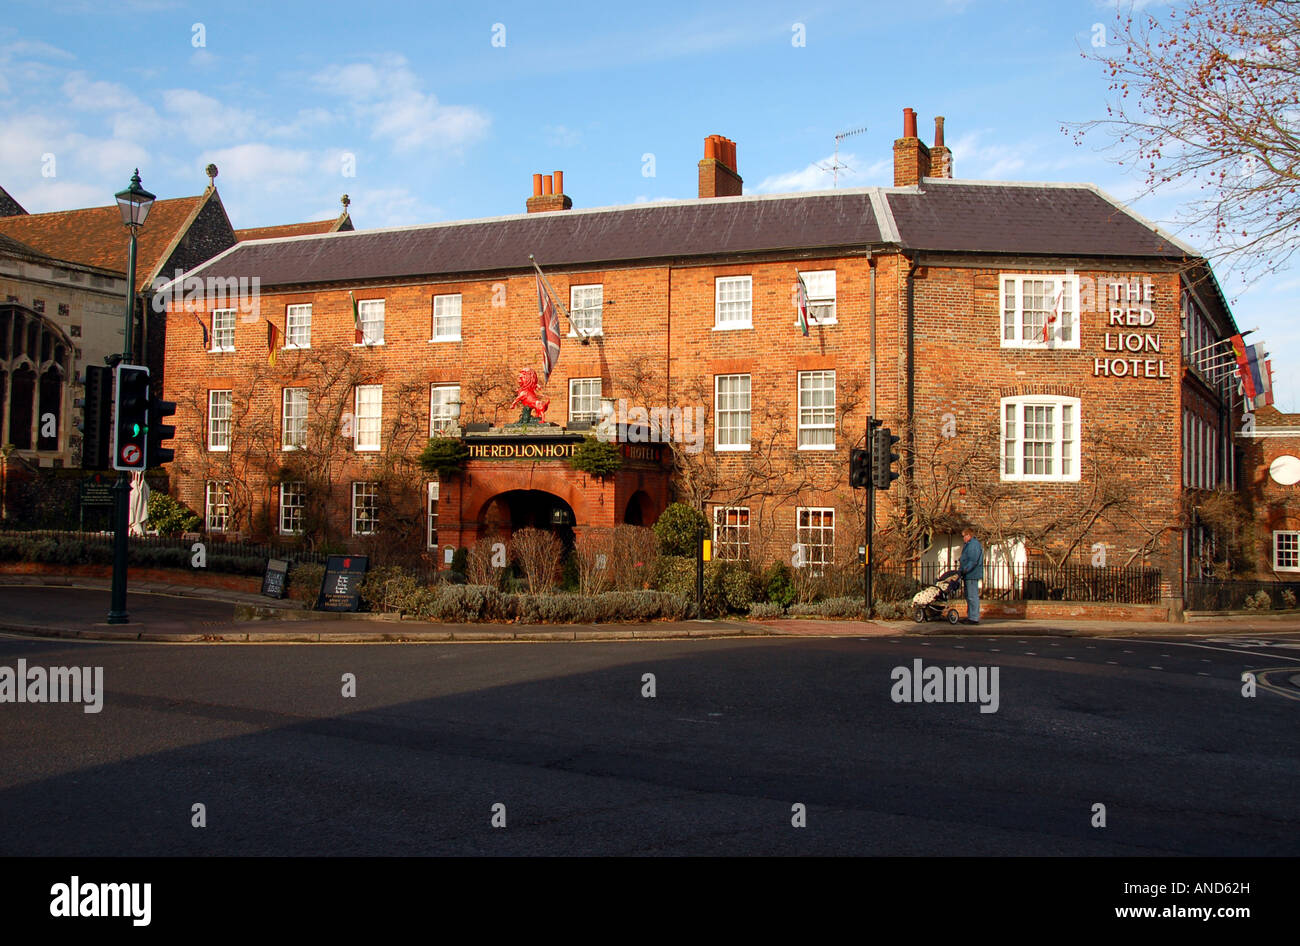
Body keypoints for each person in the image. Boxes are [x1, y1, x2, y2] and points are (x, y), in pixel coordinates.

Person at [958, 526, 984, 625]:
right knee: (969, 596)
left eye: (964, 536)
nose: (963, 538)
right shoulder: (969, 544)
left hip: (972, 574)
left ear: (969, 535)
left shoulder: (973, 545)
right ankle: (970, 616)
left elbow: (973, 561)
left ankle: (974, 617)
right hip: (968, 574)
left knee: (972, 596)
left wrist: (965, 569)